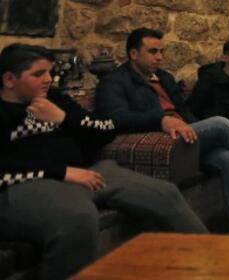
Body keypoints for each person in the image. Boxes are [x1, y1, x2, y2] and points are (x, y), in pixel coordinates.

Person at [0, 44, 207, 280]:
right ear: (9, 79)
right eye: (38, 74)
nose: (48, 79)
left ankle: (217, 264)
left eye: (49, 71)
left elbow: (104, 131)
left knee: (165, 193)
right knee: (77, 219)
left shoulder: (55, 99)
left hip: (88, 173)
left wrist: (65, 119)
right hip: (25, 185)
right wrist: (61, 172)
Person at [96, 28, 229, 229]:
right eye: (153, 52)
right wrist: (160, 120)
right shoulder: (115, 82)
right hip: (163, 139)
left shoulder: (164, 77)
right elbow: (114, 118)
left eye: (161, 52)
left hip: (187, 134)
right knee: (220, 124)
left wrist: (195, 127)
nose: (159, 57)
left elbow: (185, 109)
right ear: (133, 54)